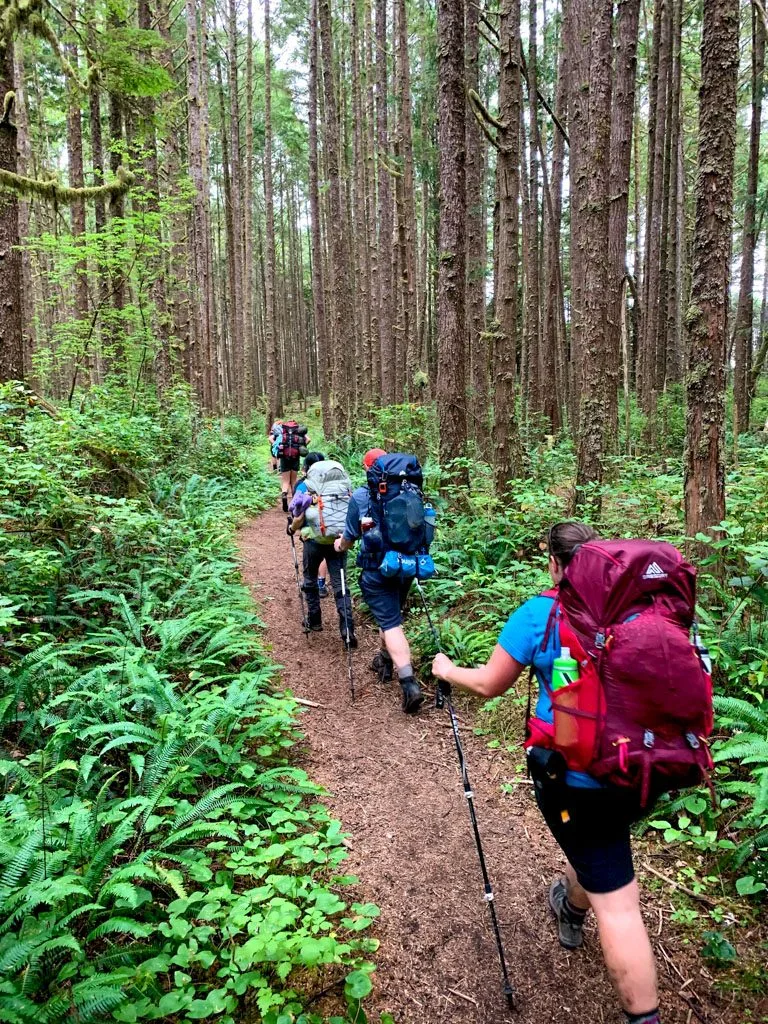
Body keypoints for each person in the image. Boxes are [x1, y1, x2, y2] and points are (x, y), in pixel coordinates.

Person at [431, 521, 662, 1024]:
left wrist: (446, 670)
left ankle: (643, 1015)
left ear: (555, 565)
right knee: (600, 851)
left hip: (576, 778)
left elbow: (491, 685)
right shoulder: (643, 612)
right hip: (645, 769)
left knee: (619, 905)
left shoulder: (540, 614)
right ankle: (572, 908)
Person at [334, 448, 424, 713]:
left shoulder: (363, 496)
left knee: (391, 623)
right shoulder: (410, 492)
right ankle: (384, 659)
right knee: (392, 614)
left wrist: (340, 545)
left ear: (368, 470)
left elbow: (349, 539)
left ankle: (409, 683)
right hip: (407, 565)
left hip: (377, 570)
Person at [289, 453, 356, 648]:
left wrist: (292, 529)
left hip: (314, 541)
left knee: (309, 579)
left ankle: (315, 619)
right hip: (338, 542)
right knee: (340, 585)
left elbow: (299, 517)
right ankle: (347, 631)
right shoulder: (343, 488)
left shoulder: (305, 487)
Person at [289, 452, 329, 598]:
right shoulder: (331, 483)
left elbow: (297, 511)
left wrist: (293, 528)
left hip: (310, 529)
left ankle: (310, 584)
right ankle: (321, 584)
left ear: (306, 467)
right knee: (325, 555)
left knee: (311, 558)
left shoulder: (303, 485)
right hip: (331, 526)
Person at [276, 421, 310, 513]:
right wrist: (302, 445)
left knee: (285, 481)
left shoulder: (283, 435)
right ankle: (294, 502)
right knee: (293, 482)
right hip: (295, 458)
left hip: (284, 459)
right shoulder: (299, 435)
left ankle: (284, 495)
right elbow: (308, 439)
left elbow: (273, 441)